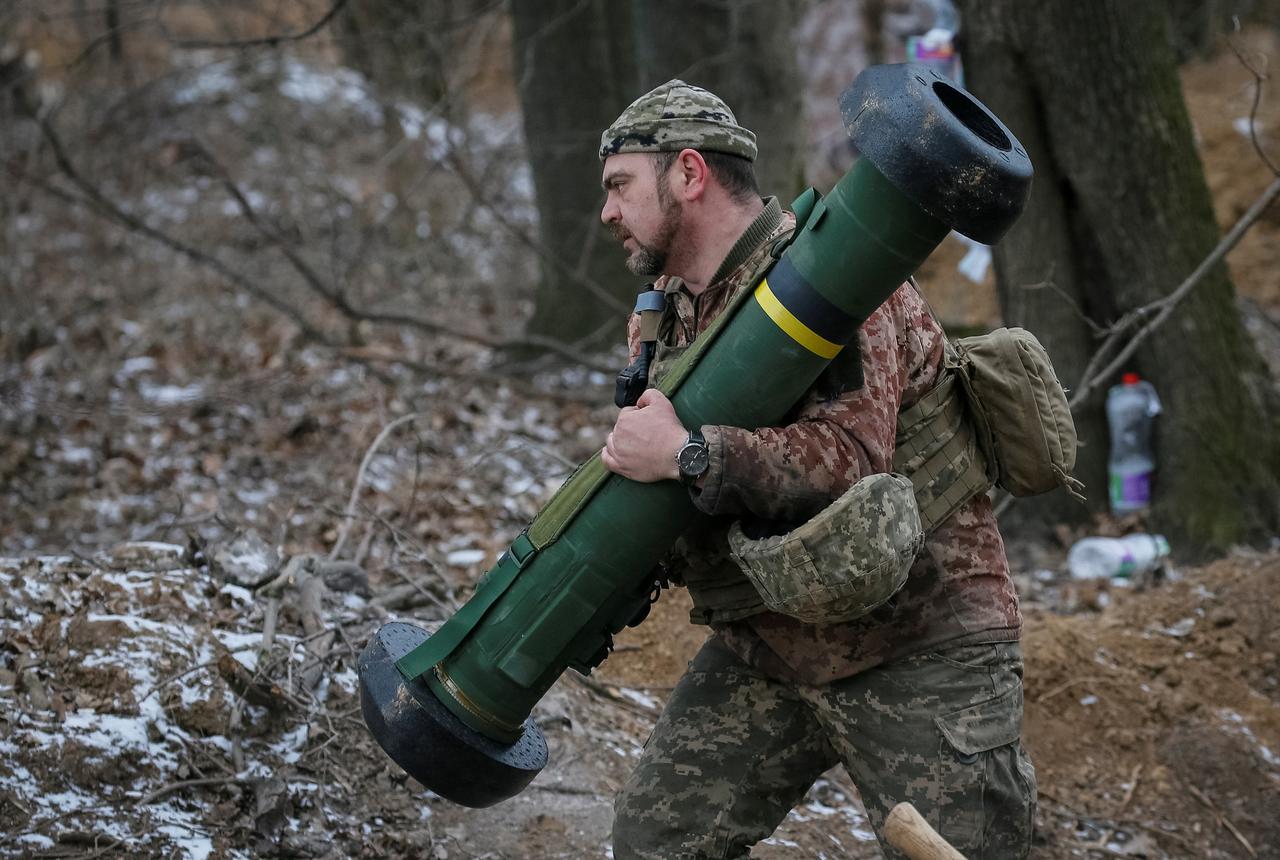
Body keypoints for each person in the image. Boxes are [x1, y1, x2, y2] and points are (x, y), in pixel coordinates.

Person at [595, 79, 1036, 859]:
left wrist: (689, 454)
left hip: (921, 642)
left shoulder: (838, 274)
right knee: (656, 843)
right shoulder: (667, 314)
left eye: (620, 186)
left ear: (688, 175)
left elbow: (848, 459)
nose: (608, 212)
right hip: (769, 646)